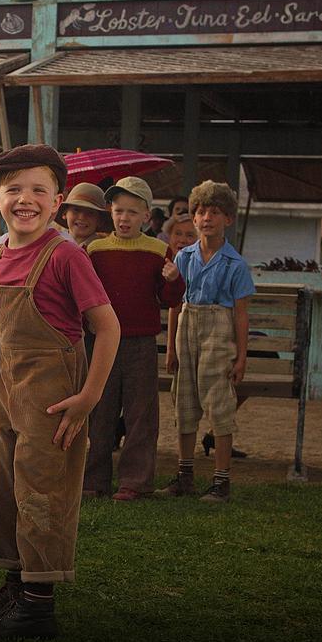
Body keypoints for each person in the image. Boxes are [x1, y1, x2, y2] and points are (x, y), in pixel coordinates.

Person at [0, 145, 119, 639]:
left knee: (42, 492)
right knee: (3, 489)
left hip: (54, 397)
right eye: (14, 190)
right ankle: (16, 583)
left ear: (57, 202)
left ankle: (38, 606)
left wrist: (89, 397)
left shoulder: (66, 255)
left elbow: (108, 327)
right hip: (7, 391)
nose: (25, 199)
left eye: (38, 190)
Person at [84, 177, 185, 500]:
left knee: (141, 413)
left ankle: (135, 481)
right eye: (118, 211)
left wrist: (174, 279)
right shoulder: (94, 250)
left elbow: (170, 299)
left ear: (146, 216)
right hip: (101, 341)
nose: (124, 218)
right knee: (98, 410)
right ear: (110, 213)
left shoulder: (158, 251)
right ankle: (92, 479)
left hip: (140, 343)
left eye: (131, 212)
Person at [157, 181, 254, 504]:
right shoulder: (184, 257)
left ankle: (221, 480)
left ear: (228, 219)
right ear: (194, 217)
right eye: (200, 212)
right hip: (187, 327)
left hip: (218, 329)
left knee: (219, 401)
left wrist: (241, 357)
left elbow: (241, 314)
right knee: (184, 400)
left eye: (214, 212)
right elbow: (175, 303)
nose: (206, 218)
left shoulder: (235, 264)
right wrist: (170, 348)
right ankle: (185, 475)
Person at [58, 182, 109, 249]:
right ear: (64, 213)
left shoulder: (103, 251)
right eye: (76, 210)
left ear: (100, 220)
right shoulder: (53, 244)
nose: (81, 217)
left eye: (90, 212)